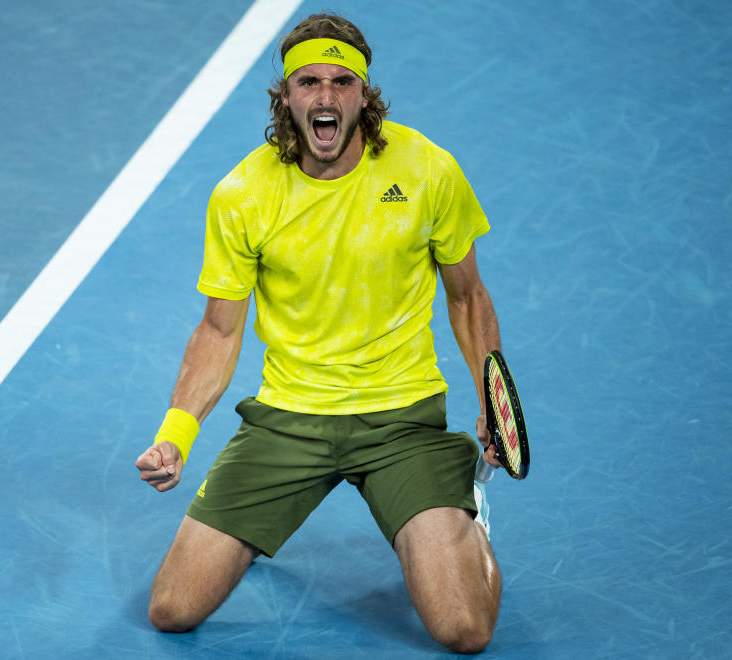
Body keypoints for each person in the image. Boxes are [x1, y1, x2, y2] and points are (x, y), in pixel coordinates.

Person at [135, 13, 504, 653]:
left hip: (402, 417)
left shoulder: (427, 172)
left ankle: (471, 529)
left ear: (365, 96)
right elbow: (219, 332)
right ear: (286, 97)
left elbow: (467, 296)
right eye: (309, 82)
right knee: (173, 609)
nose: (326, 97)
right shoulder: (244, 194)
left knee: (464, 630)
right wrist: (175, 434)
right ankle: (246, 531)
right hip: (288, 420)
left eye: (342, 82)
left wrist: (493, 400)